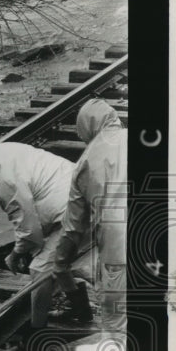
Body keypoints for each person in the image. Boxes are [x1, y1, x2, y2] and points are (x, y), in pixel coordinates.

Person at [0, 143, 80, 349]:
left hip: (76, 210)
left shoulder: (5, 183)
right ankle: (80, 309)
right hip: (76, 194)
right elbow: (33, 223)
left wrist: (15, 254)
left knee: (39, 268)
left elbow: (29, 231)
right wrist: (28, 246)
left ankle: (36, 335)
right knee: (54, 258)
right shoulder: (4, 153)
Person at [53, 99, 128, 338]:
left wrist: (60, 262)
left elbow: (73, 227)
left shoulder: (86, 162)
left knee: (116, 329)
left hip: (119, 255)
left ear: (88, 127)